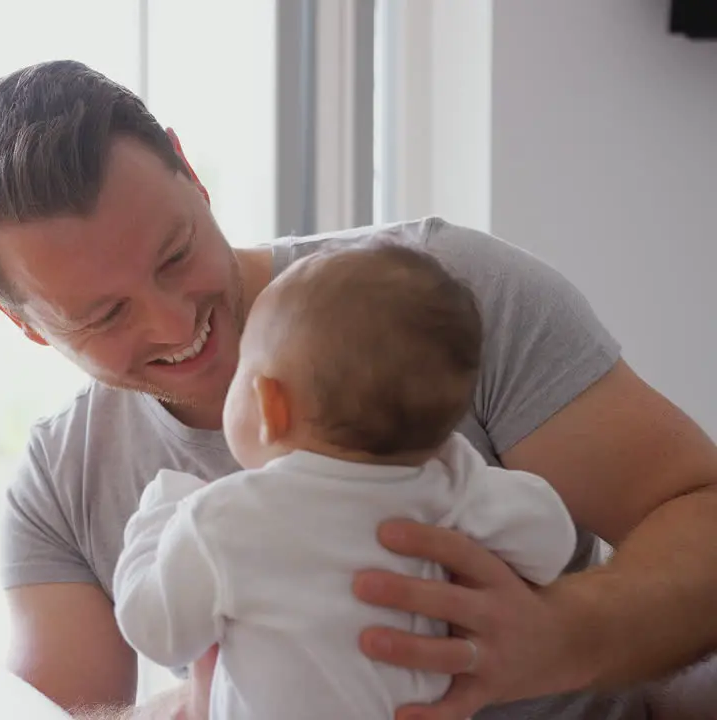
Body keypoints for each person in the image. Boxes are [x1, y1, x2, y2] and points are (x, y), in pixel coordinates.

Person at [0, 59, 717, 720]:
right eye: (104, 314)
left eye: (174, 256)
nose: (175, 325)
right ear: (23, 321)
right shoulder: (64, 479)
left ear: (191, 173)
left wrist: (564, 637)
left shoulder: (439, 299)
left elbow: (700, 509)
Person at [111, 239, 578, 719]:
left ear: (271, 407)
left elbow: (157, 632)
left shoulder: (224, 517)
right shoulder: (450, 493)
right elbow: (551, 547)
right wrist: (461, 469)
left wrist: (159, 518)